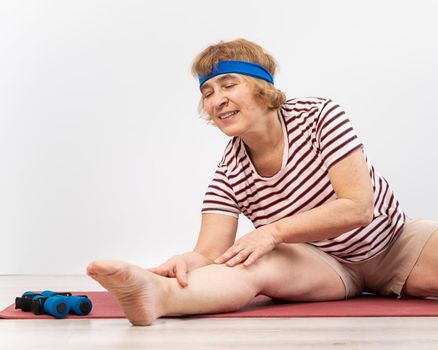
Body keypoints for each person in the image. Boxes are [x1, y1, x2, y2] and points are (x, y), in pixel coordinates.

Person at [86, 38, 438, 326]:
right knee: (248, 260)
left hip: (395, 245)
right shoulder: (230, 170)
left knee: (262, 242)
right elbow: (211, 252)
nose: (216, 100)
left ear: (261, 88)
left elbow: (358, 207)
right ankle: (159, 296)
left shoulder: (319, 116)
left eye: (228, 84)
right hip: (323, 265)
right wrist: (184, 263)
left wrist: (271, 232)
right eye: (207, 92)